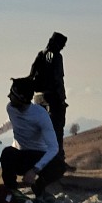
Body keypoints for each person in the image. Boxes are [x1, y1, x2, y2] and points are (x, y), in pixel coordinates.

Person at [0, 77, 66, 203]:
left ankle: (39, 187)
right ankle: (11, 191)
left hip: (38, 155)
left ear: (22, 99)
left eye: (12, 94)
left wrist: (35, 170)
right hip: (20, 155)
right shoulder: (10, 108)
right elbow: (12, 121)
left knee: (59, 166)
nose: (9, 96)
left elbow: (53, 147)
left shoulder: (40, 115)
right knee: (7, 153)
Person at [29, 32, 73, 170]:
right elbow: (58, 79)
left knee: (40, 130)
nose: (63, 47)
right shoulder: (57, 56)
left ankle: (40, 160)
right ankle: (58, 162)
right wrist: (62, 99)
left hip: (38, 98)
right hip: (53, 98)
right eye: (62, 45)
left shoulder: (40, 54)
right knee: (56, 130)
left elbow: (31, 75)